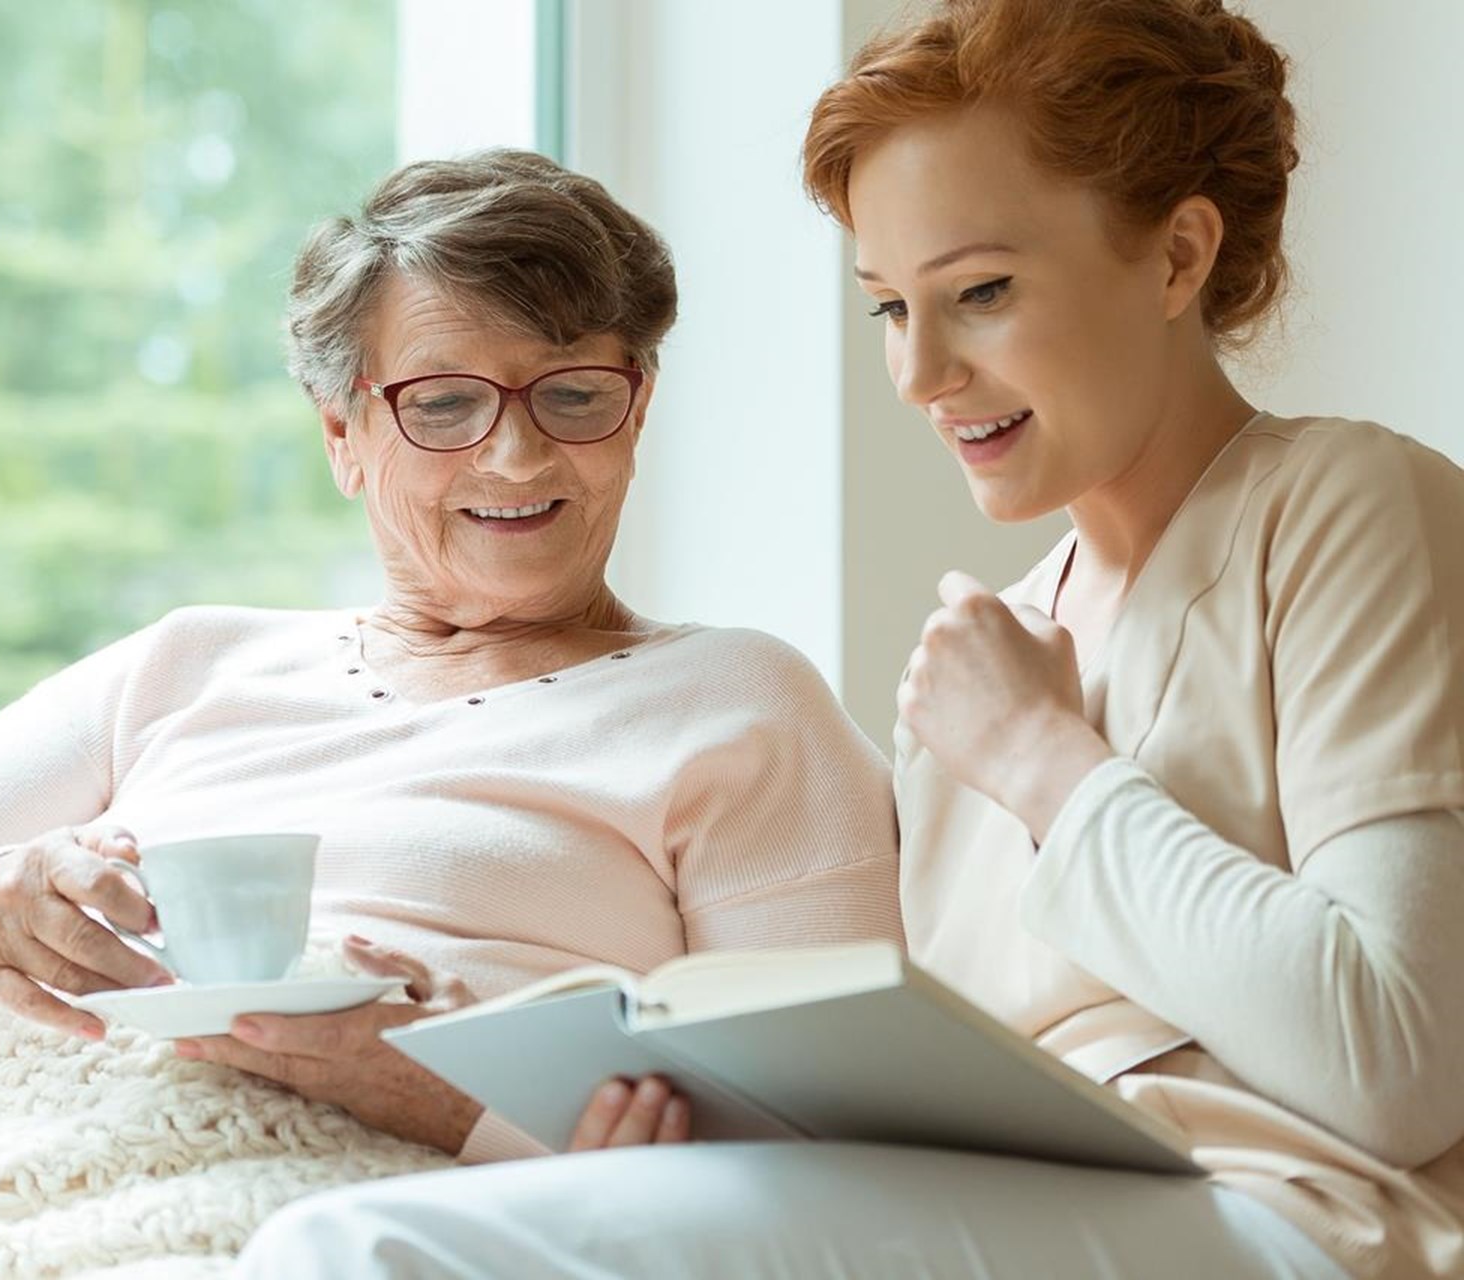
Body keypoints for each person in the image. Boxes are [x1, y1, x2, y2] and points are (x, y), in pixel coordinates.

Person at [231, 3, 1464, 1277]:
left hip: (1306, 1223)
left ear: (1176, 255)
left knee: (352, 1243)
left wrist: (1050, 762)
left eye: (981, 291)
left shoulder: (1344, 505)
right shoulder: (982, 656)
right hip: (1022, 1212)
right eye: (889, 308)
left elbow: (1394, 1066)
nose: (922, 372)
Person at [0, 148, 900, 1166]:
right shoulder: (189, 665)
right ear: (342, 434)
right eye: (443, 405)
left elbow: (822, 1127)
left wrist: (436, 1092)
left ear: (637, 406)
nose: (515, 455)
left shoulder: (736, 702)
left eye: (574, 394)